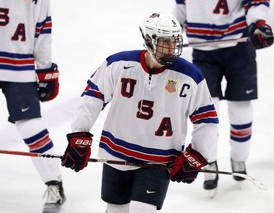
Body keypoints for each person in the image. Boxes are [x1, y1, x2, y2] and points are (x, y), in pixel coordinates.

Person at [61, 12, 219, 212]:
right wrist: (79, 134)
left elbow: (207, 119)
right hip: (116, 154)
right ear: (147, 40)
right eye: (164, 42)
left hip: (159, 160)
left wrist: (197, 154)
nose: (171, 48)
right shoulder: (118, 64)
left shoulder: (190, 77)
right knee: (115, 209)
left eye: (174, 41)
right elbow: (93, 96)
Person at [173, 0, 274, 191]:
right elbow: (181, 7)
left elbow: (256, 1)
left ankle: (239, 159)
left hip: (239, 46)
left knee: (240, 107)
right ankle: (208, 160)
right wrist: (171, 29)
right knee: (207, 110)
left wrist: (258, 24)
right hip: (203, 51)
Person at [0, 0, 66, 212]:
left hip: (19, 66)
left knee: (31, 127)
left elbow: (42, 32)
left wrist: (45, 70)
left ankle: (53, 182)